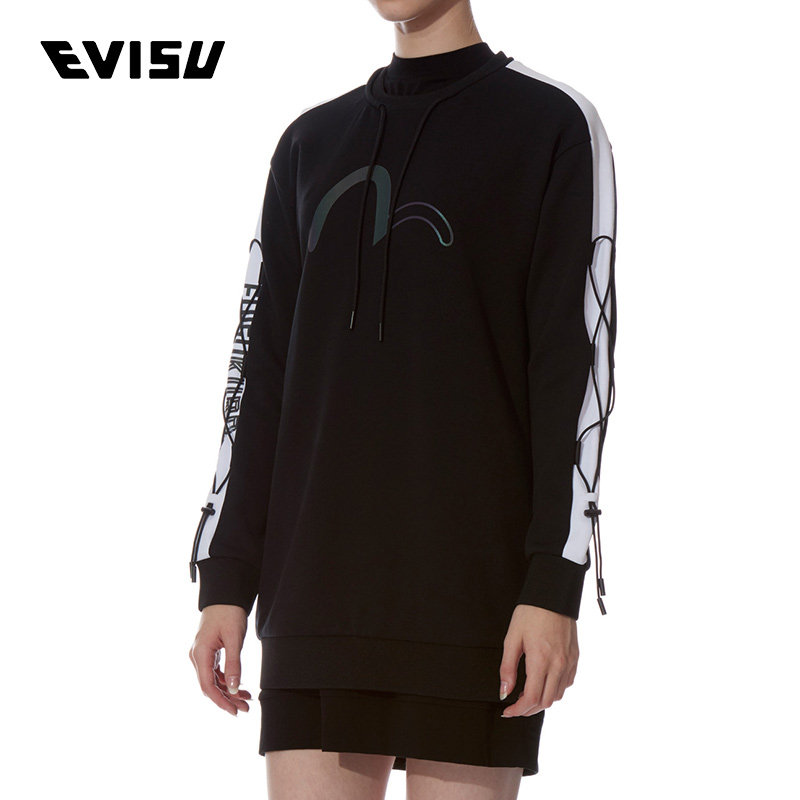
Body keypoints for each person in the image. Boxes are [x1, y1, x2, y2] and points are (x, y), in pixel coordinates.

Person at [188, 0, 617, 797]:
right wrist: (226, 577)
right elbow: (260, 375)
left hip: (475, 602)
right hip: (313, 594)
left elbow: (574, 366)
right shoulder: (310, 142)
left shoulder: (551, 125)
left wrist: (552, 584)